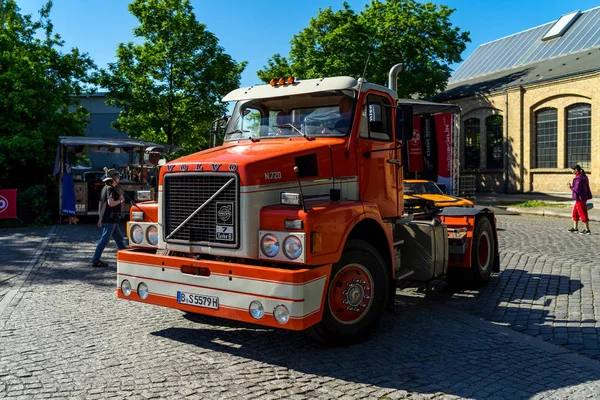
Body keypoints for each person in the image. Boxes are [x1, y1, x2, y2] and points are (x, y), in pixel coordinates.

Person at [91, 168, 127, 267]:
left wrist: (100, 217)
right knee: (104, 240)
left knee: (119, 239)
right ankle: (95, 259)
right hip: (110, 219)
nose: (119, 179)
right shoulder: (111, 189)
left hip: (110, 219)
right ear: (114, 179)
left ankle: (127, 258)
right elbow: (110, 203)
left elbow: (100, 204)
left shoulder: (104, 188)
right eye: (118, 177)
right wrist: (120, 201)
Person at [567, 164, 593, 234]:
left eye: (572, 170)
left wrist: (570, 187)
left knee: (582, 213)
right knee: (575, 212)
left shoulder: (578, 178)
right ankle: (575, 228)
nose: (571, 172)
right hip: (583, 198)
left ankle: (587, 230)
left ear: (576, 170)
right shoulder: (584, 177)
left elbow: (577, 190)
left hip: (580, 198)